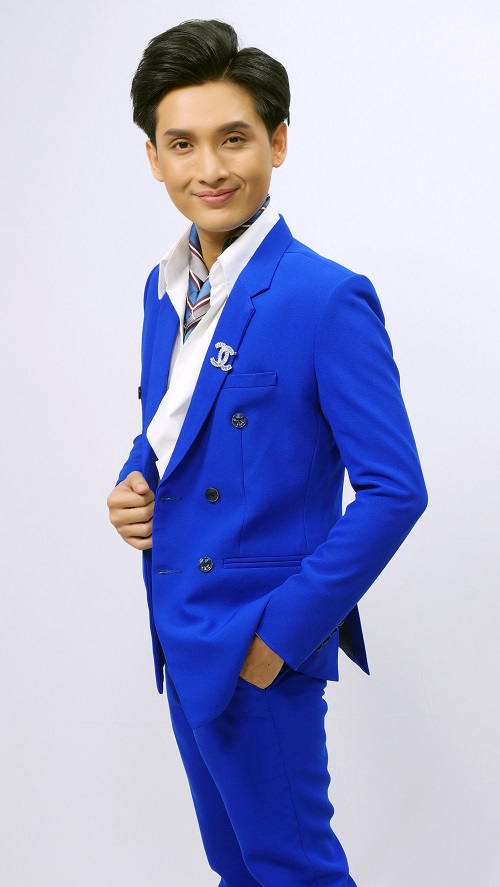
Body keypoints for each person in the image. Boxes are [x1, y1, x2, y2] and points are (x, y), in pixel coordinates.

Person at [107, 18, 427, 886]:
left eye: (234, 138)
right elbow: (176, 420)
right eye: (183, 144)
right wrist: (134, 476)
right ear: (154, 158)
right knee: (237, 868)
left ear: (278, 142)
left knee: (295, 872)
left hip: (258, 646)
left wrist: (281, 637)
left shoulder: (326, 298)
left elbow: (397, 490)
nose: (209, 168)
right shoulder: (165, 288)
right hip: (179, 632)